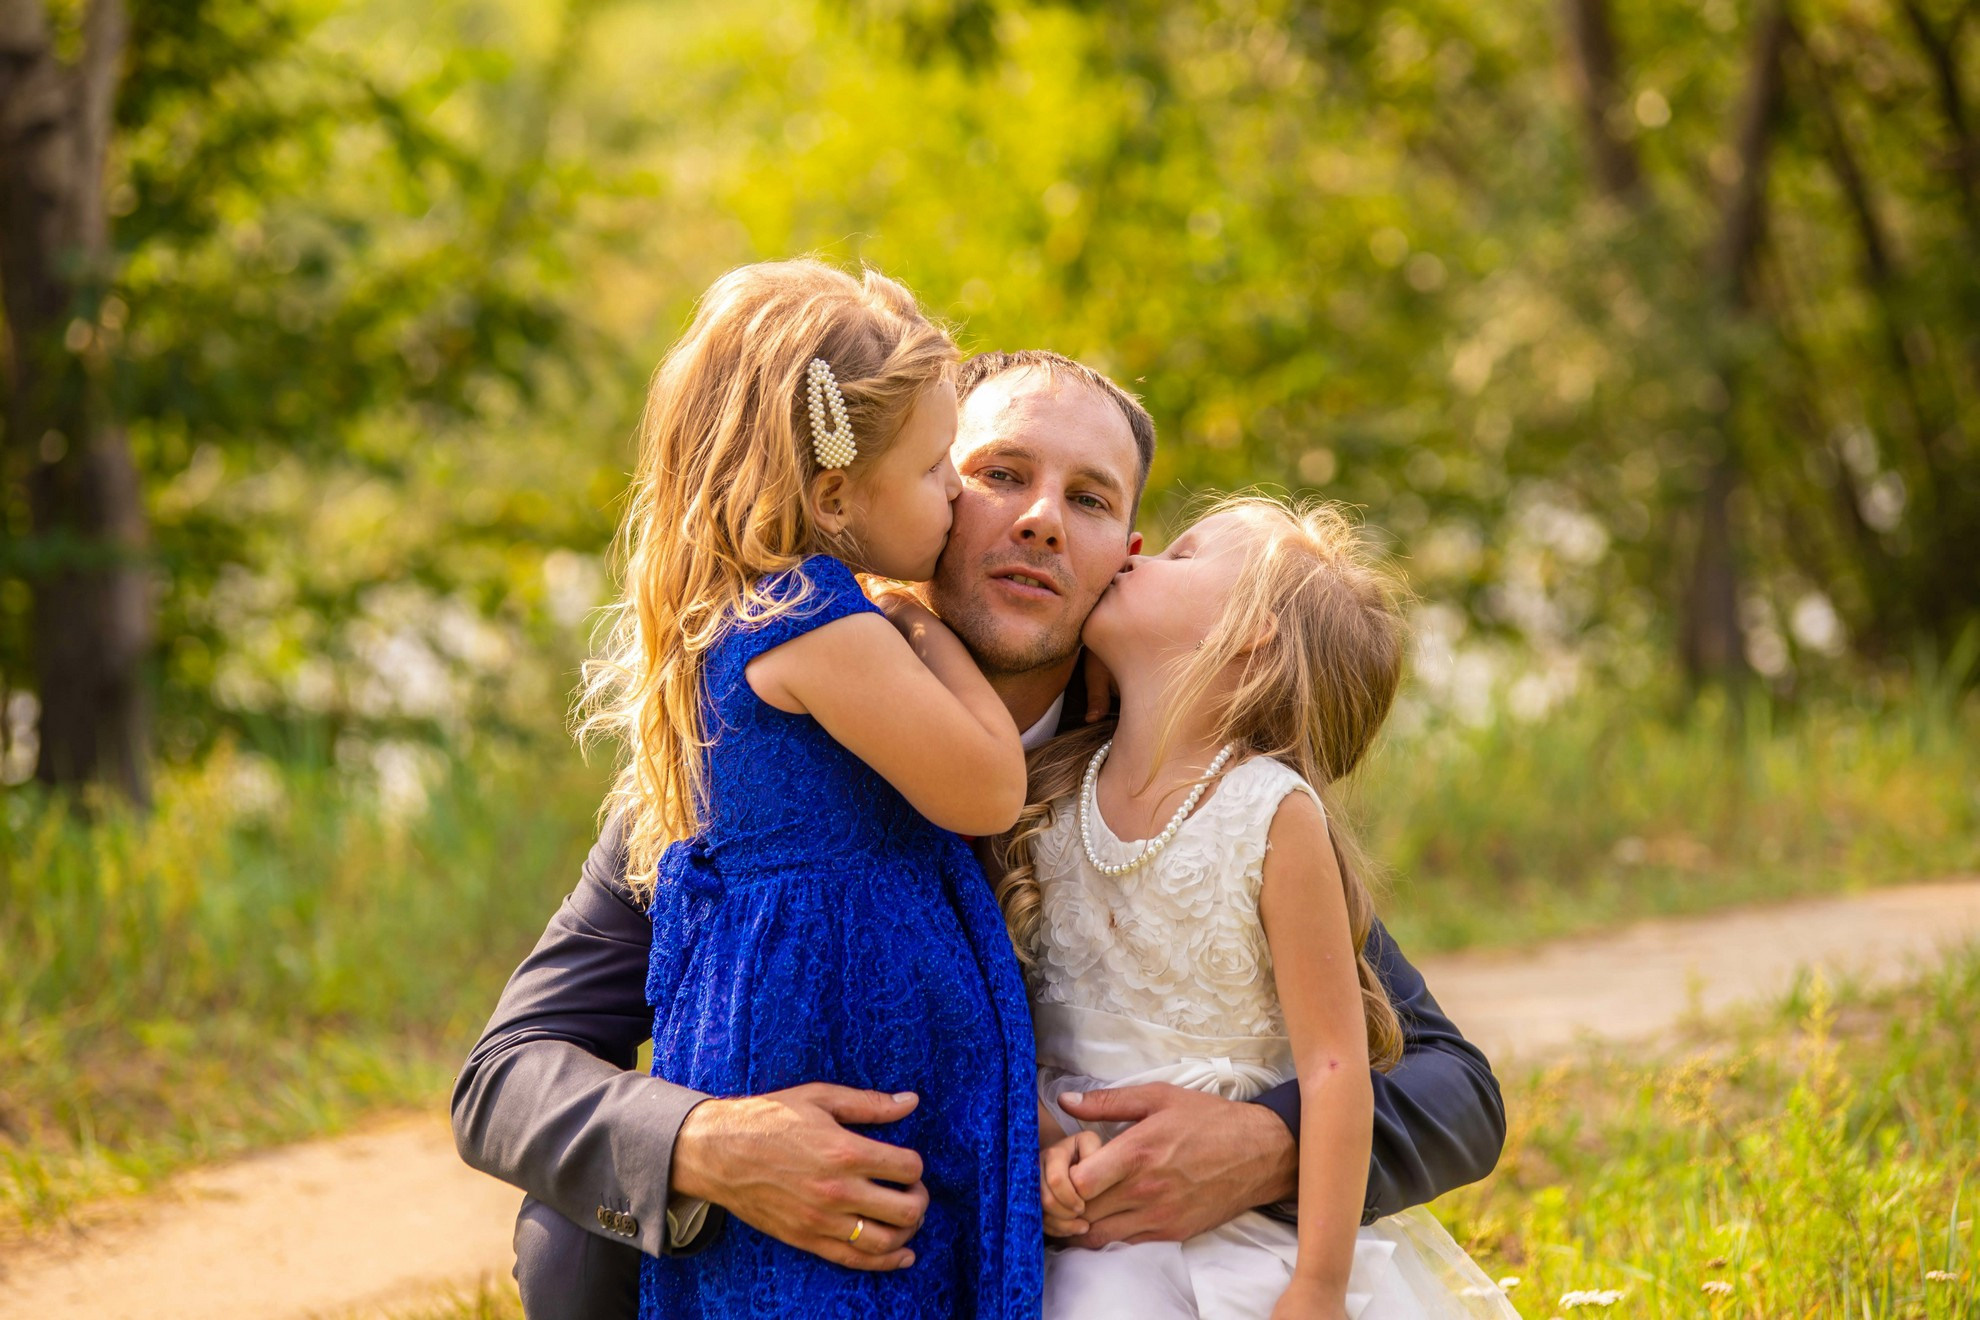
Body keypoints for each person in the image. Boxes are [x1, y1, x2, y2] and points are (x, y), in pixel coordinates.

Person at [452, 349, 1507, 1319]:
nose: (1042, 518)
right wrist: (712, 1144)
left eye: (1087, 499)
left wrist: (1265, 1147)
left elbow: (1452, 1083)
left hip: (1081, 1255)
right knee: (573, 1229)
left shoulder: (1166, 791)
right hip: (821, 1250)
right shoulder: (751, 754)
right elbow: (507, 1074)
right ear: (917, 499)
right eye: (999, 475)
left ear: (1124, 560)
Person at [559, 257, 1044, 1318]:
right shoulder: (819, 623)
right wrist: (918, 619)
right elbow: (987, 786)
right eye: (933, 472)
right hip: (835, 1017)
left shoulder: (752, 614)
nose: (958, 492)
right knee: (850, 1271)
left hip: (789, 1002)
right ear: (833, 492)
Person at [1005, 496, 1517, 1318]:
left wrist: (1313, 1267)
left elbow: (1373, 1070)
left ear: (1248, 635)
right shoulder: (1055, 787)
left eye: (1179, 557)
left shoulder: (1266, 816)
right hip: (1086, 1235)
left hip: (1242, 1255)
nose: (1136, 553)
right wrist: (1043, 1145)